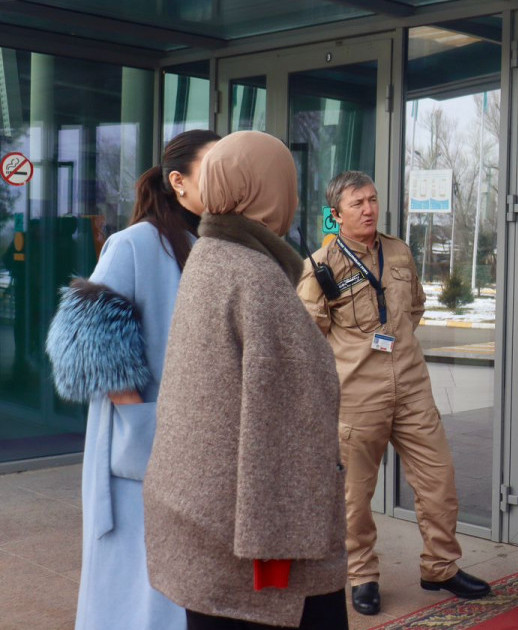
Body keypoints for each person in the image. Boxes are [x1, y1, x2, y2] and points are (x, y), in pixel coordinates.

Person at [142, 131, 349, 630]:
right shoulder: (255, 278)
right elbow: (283, 431)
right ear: (268, 190)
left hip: (204, 526)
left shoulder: (209, 256)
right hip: (258, 557)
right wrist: (277, 555)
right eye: (287, 184)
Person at [45, 129, 220, 630]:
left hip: (192, 445)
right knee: (136, 583)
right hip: (139, 443)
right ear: (178, 181)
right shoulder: (135, 243)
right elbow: (87, 345)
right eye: (213, 168)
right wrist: (145, 427)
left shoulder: (213, 245)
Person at [296, 171, 490, 616]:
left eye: (372, 199)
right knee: (355, 495)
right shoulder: (321, 266)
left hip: (411, 384)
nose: (368, 209)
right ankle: (361, 575)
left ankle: (440, 566)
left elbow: (414, 306)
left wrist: (390, 342)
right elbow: (309, 336)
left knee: (439, 478)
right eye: (357, 203)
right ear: (336, 213)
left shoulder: (398, 251)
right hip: (357, 394)